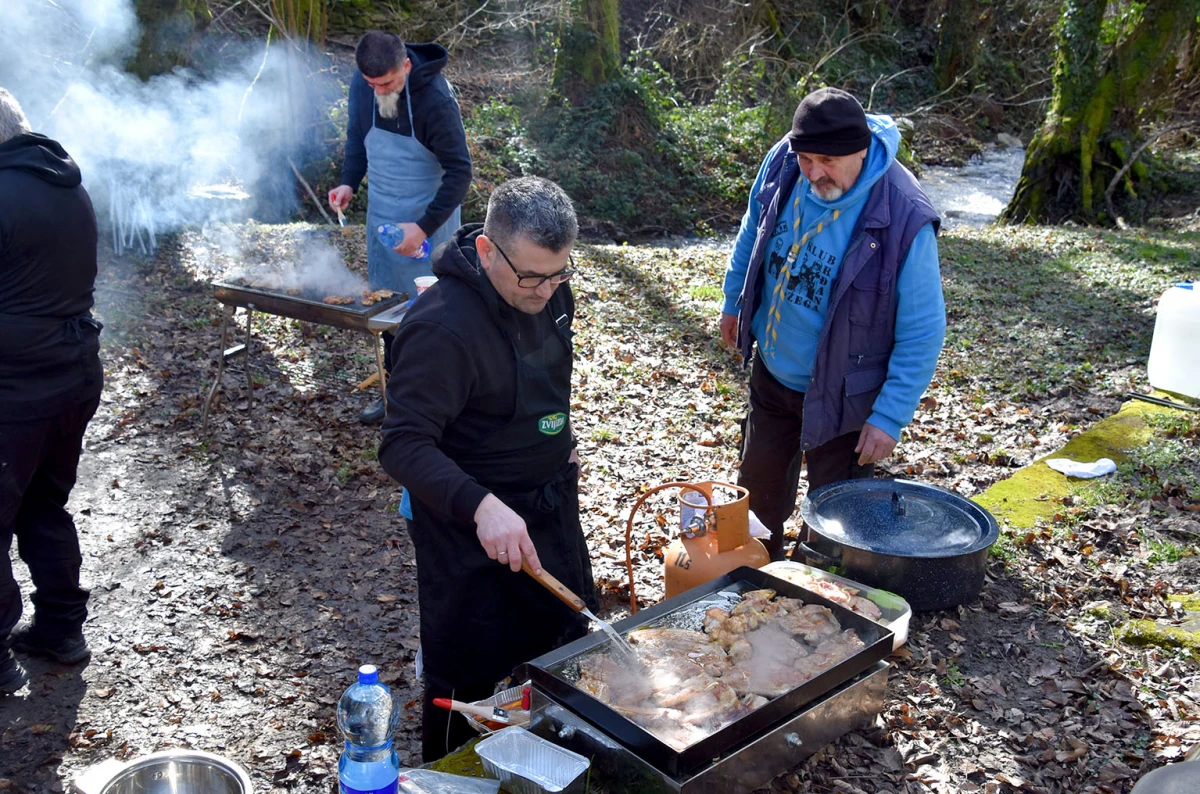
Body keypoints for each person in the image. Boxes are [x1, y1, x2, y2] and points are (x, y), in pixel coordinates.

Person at [378, 177, 596, 762]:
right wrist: (481, 505)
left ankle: (547, 766)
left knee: (563, 656)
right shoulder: (441, 328)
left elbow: (543, 384)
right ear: (485, 251)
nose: (546, 291)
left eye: (559, 274)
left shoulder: (550, 293)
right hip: (469, 533)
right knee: (472, 685)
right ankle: (452, 774)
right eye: (531, 276)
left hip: (549, 509)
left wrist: (561, 438)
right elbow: (402, 444)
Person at [719, 87, 946, 561]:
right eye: (807, 159)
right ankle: (756, 580)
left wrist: (888, 417)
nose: (813, 172)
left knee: (839, 524)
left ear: (860, 151)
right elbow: (753, 227)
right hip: (774, 376)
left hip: (846, 399)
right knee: (756, 502)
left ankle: (826, 606)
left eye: (827, 160)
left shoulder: (903, 216)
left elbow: (923, 330)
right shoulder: (785, 161)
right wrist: (733, 302)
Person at [0, 88, 103, 693]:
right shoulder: (68, 184)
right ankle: (61, 629)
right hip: (73, 376)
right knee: (44, 504)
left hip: (18, 390)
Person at [328, 30, 472, 424]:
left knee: (433, 319)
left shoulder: (435, 100)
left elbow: (461, 172)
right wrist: (348, 182)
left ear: (406, 65)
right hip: (384, 222)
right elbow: (357, 137)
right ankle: (395, 397)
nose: (378, 91)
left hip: (430, 225)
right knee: (390, 313)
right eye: (372, 84)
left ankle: (438, 406)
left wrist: (423, 228)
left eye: (387, 83)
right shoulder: (365, 82)